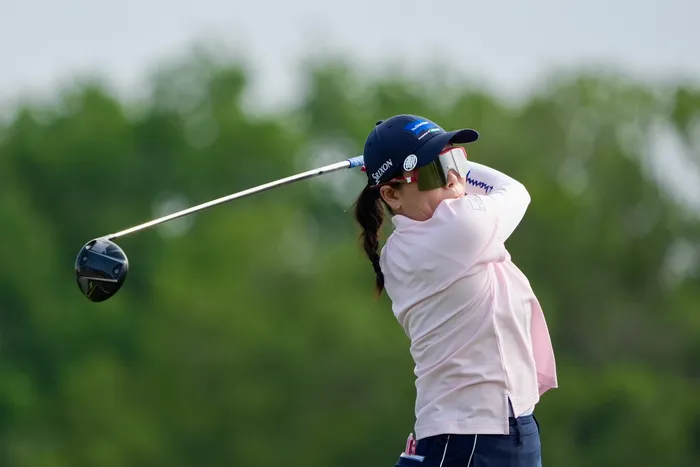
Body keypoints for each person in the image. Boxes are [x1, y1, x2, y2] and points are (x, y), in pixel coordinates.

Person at [353, 115, 558, 467]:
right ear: (391, 195)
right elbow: (514, 191)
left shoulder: (399, 250)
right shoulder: (459, 227)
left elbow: (463, 190)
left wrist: (424, 165)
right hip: (472, 437)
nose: (454, 178)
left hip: (496, 428)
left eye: (456, 162)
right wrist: (449, 164)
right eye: (436, 172)